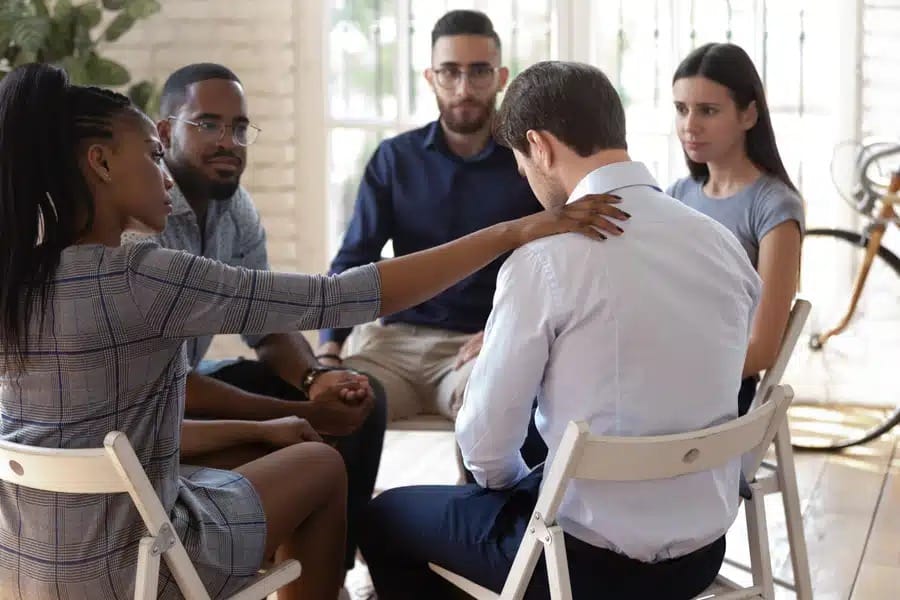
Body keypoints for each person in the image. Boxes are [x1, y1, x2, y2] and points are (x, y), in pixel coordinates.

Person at [0, 63, 623, 600]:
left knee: (278, 450)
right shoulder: (144, 274)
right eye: (152, 154)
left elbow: (102, 435)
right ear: (101, 162)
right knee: (323, 468)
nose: (164, 174)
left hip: (19, 563)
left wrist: (266, 421)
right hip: (134, 565)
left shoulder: (18, 274)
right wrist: (514, 232)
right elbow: (341, 294)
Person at [358, 61, 762, 599]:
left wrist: (510, 490)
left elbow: (483, 446)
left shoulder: (545, 262)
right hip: (701, 553)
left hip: (579, 568)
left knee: (384, 519)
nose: (525, 176)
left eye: (521, 162)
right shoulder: (721, 245)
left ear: (540, 146)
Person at [127, 62, 386, 572]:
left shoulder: (234, 208)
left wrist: (317, 380)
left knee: (361, 398)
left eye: (240, 128)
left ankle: (328, 568)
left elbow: (265, 324)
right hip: (151, 411)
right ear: (164, 132)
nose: (229, 141)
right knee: (314, 432)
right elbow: (170, 382)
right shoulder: (140, 219)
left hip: (189, 386)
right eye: (208, 124)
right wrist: (305, 416)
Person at [318, 10, 546, 425]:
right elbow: (355, 257)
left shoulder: (529, 163)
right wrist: (329, 348)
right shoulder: (394, 159)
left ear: (501, 77)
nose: (464, 88)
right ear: (430, 77)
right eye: (449, 73)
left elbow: (556, 263)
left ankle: (478, 494)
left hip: (480, 345)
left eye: (479, 72)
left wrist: (511, 331)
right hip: (393, 346)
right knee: (342, 406)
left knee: (492, 406)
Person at [668, 43, 804, 415]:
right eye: (681, 109)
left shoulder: (774, 206)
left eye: (708, 111)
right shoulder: (677, 194)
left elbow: (762, 347)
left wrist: (673, 374)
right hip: (661, 372)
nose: (689, 125)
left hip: (719, 390)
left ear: (748, 115)